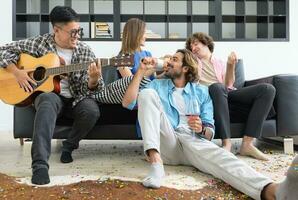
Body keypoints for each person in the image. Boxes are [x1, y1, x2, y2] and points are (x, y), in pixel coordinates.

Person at [122, 48, 298, 200]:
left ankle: (273, 191)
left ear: (185, 68)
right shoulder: (157, 85)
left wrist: (201, 128)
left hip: (192, 139)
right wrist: (140, 71)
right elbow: (128, 103)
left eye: (174, 60)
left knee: (224, 158)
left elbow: (210, 130)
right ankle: (155, 163)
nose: (168, 62)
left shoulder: (202, 92)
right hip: (168, 142)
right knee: (146, 95)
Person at [0, 6, 102, 185]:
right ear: (56, 30)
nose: (77, 35)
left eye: (79, 31)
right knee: (47, 100)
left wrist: (93, 80)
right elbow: (2, 51)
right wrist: (17, 72)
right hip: (50, 97)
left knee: (91, 110)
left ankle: (68, 147)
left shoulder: (85, 51)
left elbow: (92, 89)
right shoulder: (39, 44)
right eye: (73, 32)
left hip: (75, 99)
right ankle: (39, 166)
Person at [186, 32, 276, 160]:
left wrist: (230, 65)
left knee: (267, 89)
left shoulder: (220, 63)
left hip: (227, 95)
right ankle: (226, 143)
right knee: (216, 87)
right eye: (191, 46)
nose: (193, 47)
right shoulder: (192, 62)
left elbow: (228, 84)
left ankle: (247, 144)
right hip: (210, 98)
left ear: (206, 43)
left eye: (196, 44)